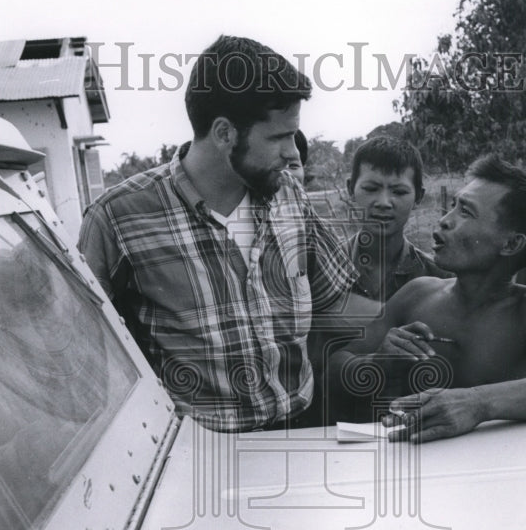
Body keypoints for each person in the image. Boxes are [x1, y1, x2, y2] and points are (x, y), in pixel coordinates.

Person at [78, 34, 378, 432]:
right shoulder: (117, 218)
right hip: (196, 456)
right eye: (278, 137)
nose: (293, 153)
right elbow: (85, 357)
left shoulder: (289, 196)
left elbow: (336, 304)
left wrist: (430, 311)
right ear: (224, 134)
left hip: (300, 430)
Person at [328, 154, 526, 443]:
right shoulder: (417, 295)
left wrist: (478, 403)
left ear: (511, 243)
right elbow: (335, 366)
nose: (444, 221)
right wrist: (376, 363)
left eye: (465, 212)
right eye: (453, 205)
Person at [345, 136, 451, 302]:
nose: (384, 203)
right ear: (351, 189)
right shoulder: (321, 269)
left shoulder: (440, 278)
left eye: (399, 192)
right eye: (371, 189)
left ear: (418, 197)